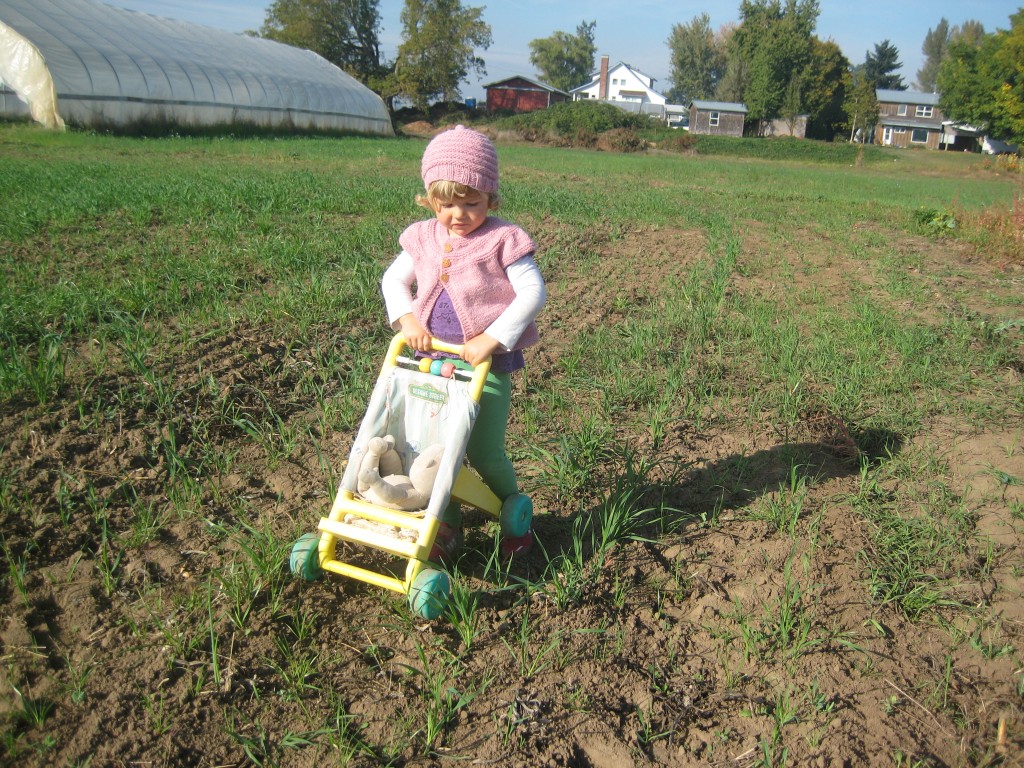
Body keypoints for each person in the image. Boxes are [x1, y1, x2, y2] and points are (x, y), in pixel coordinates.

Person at [381, 125, 546, 561]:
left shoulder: (503, 239)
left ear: (491, 197)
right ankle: (447, 522)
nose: (457, 214)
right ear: (429, 198)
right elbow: (394, 279)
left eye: (471, 203)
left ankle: (515, 514)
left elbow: (533, 293)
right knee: (429, 446)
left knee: (482, 450)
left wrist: (492, 338)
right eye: (445, 203)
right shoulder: (423, 237)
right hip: (431, 362)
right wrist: (407, 318)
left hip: (484, 367)